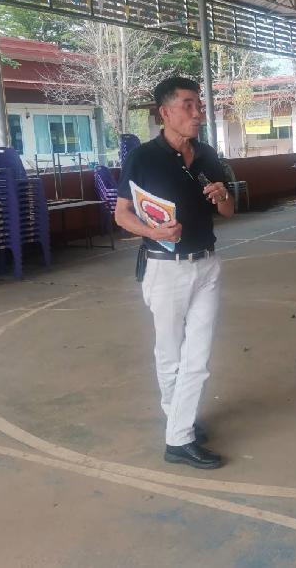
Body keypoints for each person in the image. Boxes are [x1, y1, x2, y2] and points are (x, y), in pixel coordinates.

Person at [115, 76, 234, 469]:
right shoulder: (143, 158)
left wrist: (223, 196)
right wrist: (154, 232)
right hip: (165, 269)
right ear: (165, 113)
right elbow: (121, 215)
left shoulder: (207, 155)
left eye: (199, 105)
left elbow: (229, 211)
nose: (198, 113)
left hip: (207, 265)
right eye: (188, 105)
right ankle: (179, 431)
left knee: (197, 357)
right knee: (170, 355)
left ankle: (178, 431)